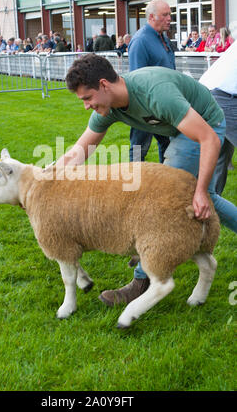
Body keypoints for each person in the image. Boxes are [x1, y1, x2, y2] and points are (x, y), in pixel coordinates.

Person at [55, 54, 237, 305]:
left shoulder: (155, 93)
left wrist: (201, 191)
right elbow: (79, 151)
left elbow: (209, 139)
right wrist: (45, 180)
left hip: (205, 125)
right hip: (180, 129)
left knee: (160, 199)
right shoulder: (108, 105)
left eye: (87, 97)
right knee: (205, 199)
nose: (86, 105)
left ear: (104, 85)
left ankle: (143, 281)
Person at [128, 0, 175, 164]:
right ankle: (132, 185)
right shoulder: (140, 41)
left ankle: (165, 182)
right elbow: (136, 79)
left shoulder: (163, 38)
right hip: (145, 108)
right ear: (151, 17)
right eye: (165, 15)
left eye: (169, 14)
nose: (169, 18)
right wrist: (145, 111)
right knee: (138, 148)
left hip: (163, 105)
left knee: (167, 143)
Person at [200, 38, 237, 195]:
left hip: (211, 93)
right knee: (219, 156)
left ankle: (209, 204)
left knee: (219, 156)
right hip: (223, 96)